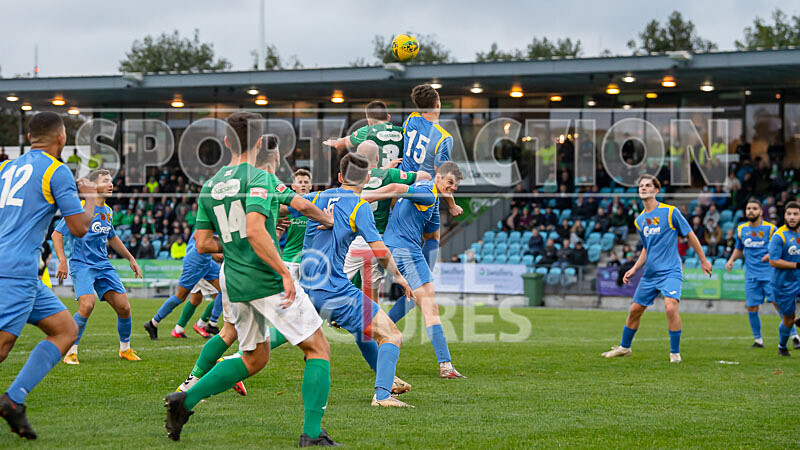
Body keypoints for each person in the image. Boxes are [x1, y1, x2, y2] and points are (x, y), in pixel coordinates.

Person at [163, 111, 339, 446]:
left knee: (254, 358)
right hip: (266, 276)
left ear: (227, 141)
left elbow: (202, 243)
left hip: (233, 279)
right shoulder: (260, 178)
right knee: (318, 349)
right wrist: (288, 267)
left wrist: (232, 245)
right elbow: (270, 222)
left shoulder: (211, 186)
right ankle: (313, 435)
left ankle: (185, 401)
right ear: (259, 143)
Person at [0, 112, 96, 439]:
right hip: (16, 271)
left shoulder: (5, 168)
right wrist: (92, 195)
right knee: (2, 346)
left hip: (17, 269)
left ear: (29, 138)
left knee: (65, 329)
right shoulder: (56, 171)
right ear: (62, 138)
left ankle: (13, 400)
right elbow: (79, 228)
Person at [362, 161, 466, 378]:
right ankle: (445, 365)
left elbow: (432, 237)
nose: (453, 188)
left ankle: (378, 331)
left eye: (456, 186)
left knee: (413, 300)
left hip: (396, 249)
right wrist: (364, 197)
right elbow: (395, 189)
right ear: (438, 178)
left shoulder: (432, 200)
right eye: (450, 183)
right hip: (405, 251)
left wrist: (427, 271)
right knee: (431, 307)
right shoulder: (427, 192)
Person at [602, 175, 712, 363]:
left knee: (670, 308)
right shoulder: (640, 221)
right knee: (635, 311)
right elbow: (647, 247)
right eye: (641, 186)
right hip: (650, 274)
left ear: (656, 190)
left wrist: (703, 260)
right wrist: (635, 268)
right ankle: (624, 348)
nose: (643, 188)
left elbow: (690, 235)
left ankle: (675, 354)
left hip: (670, 270)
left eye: (647, 186)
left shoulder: (670, 212)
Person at [52, 168, 142, 364]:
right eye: (105, 181)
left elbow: (112, 237)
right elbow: (56, 234)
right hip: (82, 264)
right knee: (87, 304)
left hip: (103, 265)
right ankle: (70, 351)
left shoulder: (108, 211)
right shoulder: (78, 208)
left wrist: (130, 258)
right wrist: (62, 260)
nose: (111, 184)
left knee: (124, 308)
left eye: (111, 180)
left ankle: (125, 349)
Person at [342, 141, 427, 303]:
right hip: (377, 242)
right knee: (371, 297)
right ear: (377, 157)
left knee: (336, 285)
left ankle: (328, 317)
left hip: (353, 240)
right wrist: (390, 172)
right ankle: (372, 325)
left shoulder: (352, 177)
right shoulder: (389, 175)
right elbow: (425, 177)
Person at [726, 199, 798, 348]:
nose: (750, 211)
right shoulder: (741, 229)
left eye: (754, 208)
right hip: (751, 275)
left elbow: (780, 247)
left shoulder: (771, 229)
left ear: (760, 211)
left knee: (780, 306)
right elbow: (739, 248)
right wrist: (732, 259)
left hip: (770, 275)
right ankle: (758, 340)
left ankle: (794, 336)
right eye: (748, 208)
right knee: (752, 307)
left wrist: (770, 256)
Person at [400, 84, 462, 220]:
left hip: (402, 185)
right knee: (431, 237)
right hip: (423, 192)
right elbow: (441, 177)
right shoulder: (444, 138)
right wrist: (452, 205)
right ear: (437, 104)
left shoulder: (411, 119)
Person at [323, 100, 404, 169]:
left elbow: (339, 144)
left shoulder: (367, 131)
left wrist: (333, 142)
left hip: (377, 178)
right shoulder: (402, 130)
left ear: (369, 120)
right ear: (388, 117)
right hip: (399, 177)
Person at [769, 201, 800, 356]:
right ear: (785, 216)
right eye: (789, 214)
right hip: (783, 283)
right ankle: (782, 346)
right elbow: (773, 261)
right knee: (789, 318)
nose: (792, 217)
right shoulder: (779, 236)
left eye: (795, 214)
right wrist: (796, 265)